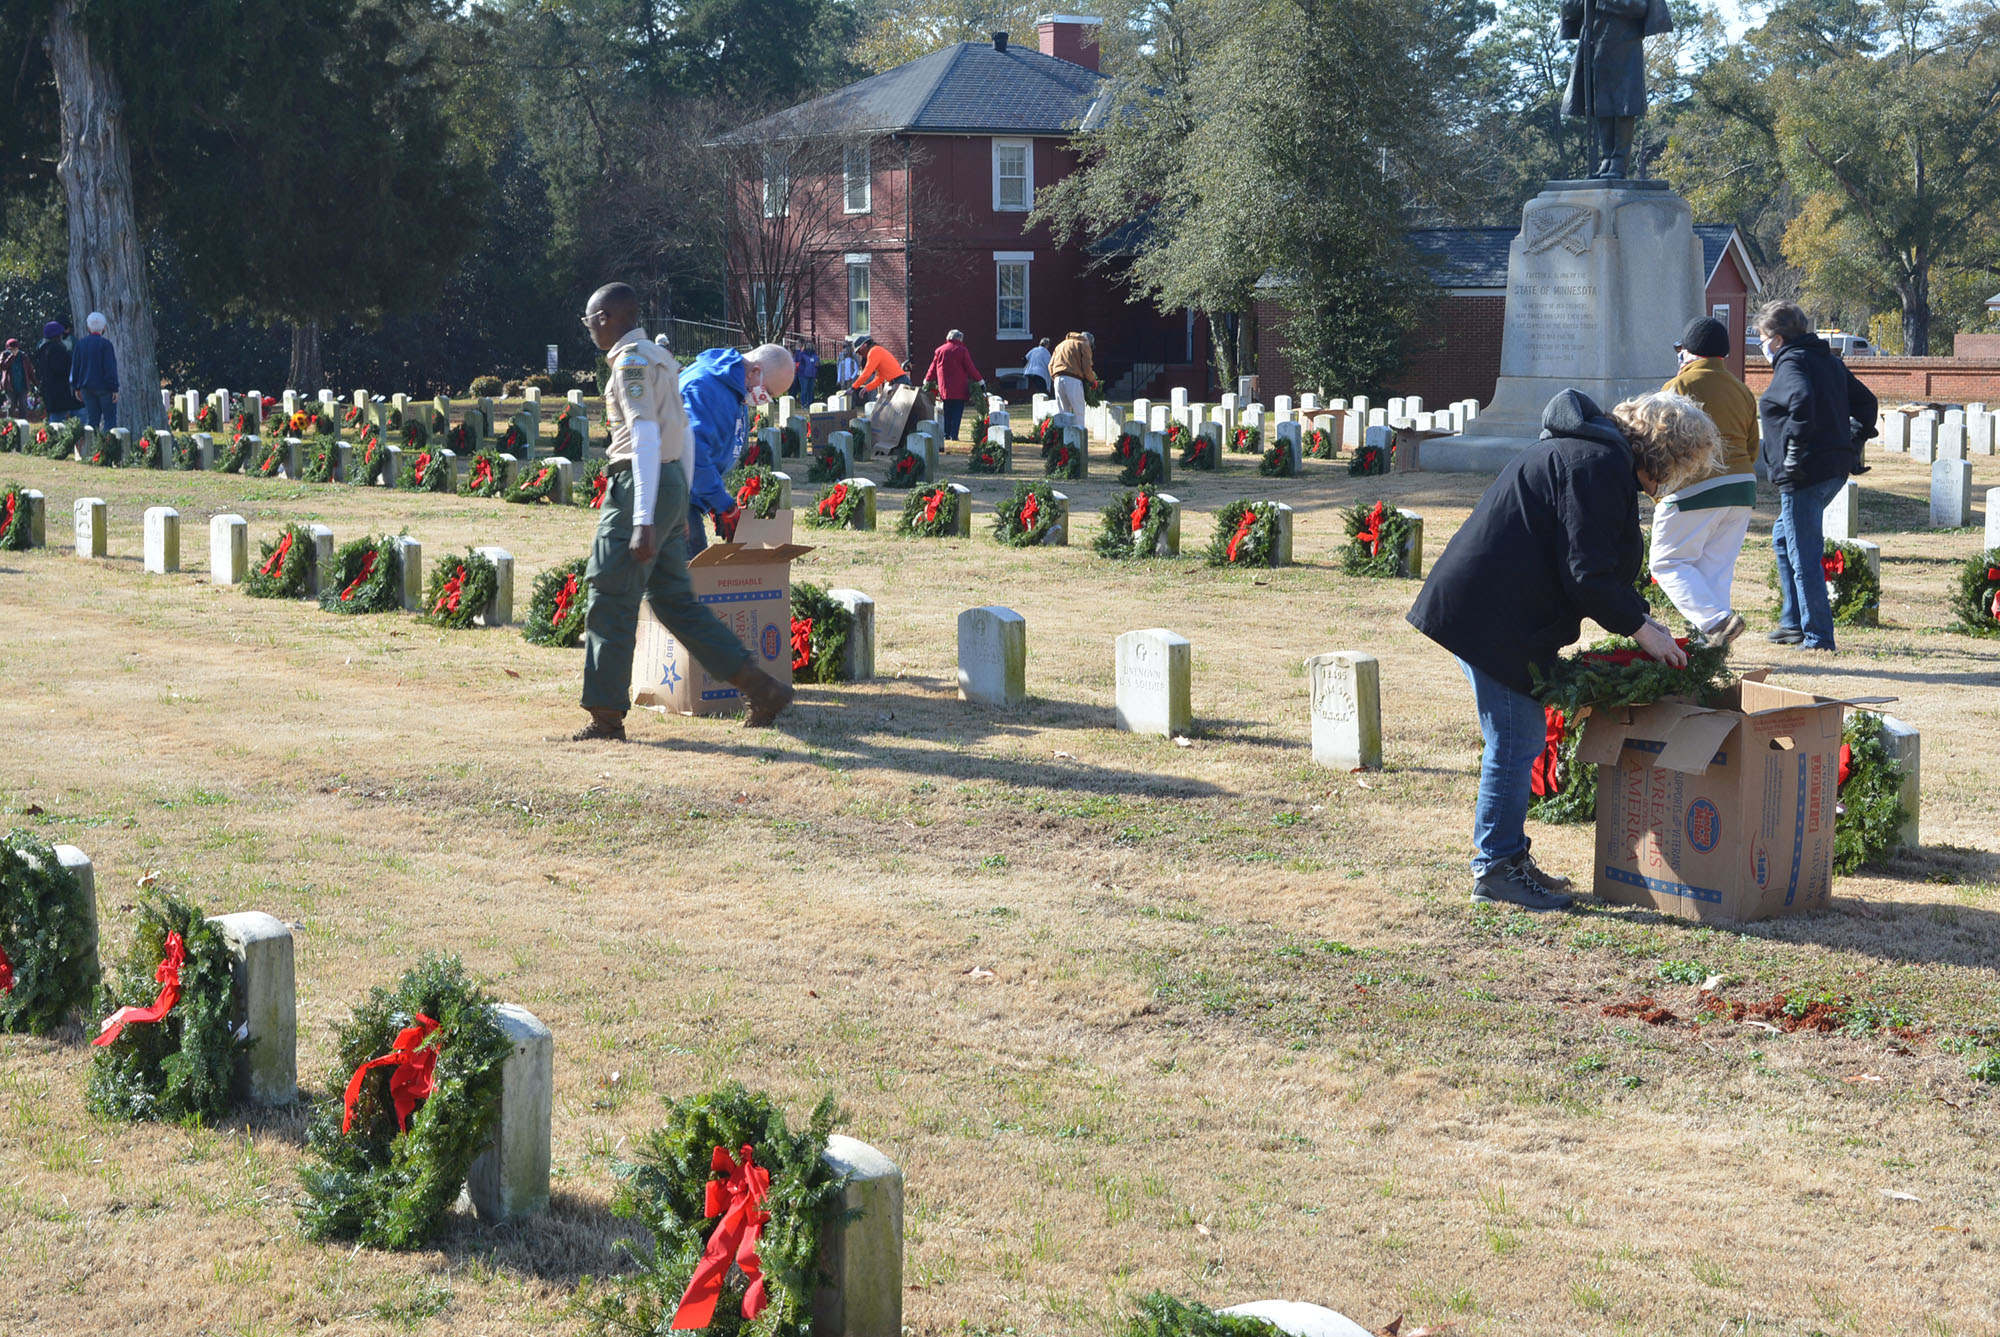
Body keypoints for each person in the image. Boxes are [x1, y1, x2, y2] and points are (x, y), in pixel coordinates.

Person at [1406, 389, 1720, 911]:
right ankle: (1496, 868)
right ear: (1663, 452)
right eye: (1677, 467)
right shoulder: (1595, 463)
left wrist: (1640, 616)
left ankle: (1509, 856)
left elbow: (1585, 561)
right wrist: (1643, 630)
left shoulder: (1592, 455)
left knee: (1515, 738)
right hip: (1489, 615)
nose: (1667, 483)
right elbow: (1587, 573)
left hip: (1497, 609)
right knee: (1515, 740)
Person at [573, 282, 794, 741]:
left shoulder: (633, 362)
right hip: (673, 482)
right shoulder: (661, 360)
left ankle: (605, 717)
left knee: (611, 597)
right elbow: (686, 438)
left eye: (591, 320)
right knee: (676, 603)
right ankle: (759, 686)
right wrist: (679, 497)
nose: (590, 328)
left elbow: (644, 436)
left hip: (642, 483)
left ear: (608, 319)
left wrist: (642, 519)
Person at [1757, 301, 1876, 652]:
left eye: (1762, 338)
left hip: (1804, 473)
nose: (1761, 345)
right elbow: (1866, 402)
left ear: (1777, 340)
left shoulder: (1791, 363)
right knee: (1784, 539)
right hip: (1833, 468)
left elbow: (1801, 399)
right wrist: (1854, 439)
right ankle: (1793, 622)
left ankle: (1817, 636)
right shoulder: (1828, 361)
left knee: (1803, 554)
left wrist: (1795, 449)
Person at [1651, 316, 1759, 647]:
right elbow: (1752, 446)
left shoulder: (1677, 387)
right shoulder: (1741, 389)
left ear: (1687, 351)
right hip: (1742, 487)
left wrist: (1657, 490)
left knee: (1666, 561)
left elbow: (1659, 443)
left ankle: (1717, 622)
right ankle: (1712, 646)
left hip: (1695, 485)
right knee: (1714, 572)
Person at [681, 343, 796, 557]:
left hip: (689, 494)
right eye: (768, 392)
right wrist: (721, 503)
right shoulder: (704, 386)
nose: (765, 399)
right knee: (691, 573)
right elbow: (692, 452)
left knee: (694, 572)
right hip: (671, 492)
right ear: (754, 371)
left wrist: (713, 503)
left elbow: (712, 450)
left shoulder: (735, 390)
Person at [1560, 0, 1671, 179]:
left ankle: (1619, 162)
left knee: (1623, 102)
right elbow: (1570, 9)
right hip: (1594, 42)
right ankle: (1608, 158)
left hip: (1624, 43)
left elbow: (1638, 6)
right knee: (1600, 100)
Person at [922, 329, 984, 442]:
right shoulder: (962, 350)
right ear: (959, 338)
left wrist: (927, 380)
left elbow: (933, 368)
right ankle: (954, 435)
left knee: (947, 411)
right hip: (959, 387)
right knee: (957, 412)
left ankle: (946, 433)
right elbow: (970, 368)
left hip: (945, 387)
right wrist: (980, 381)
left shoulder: (939, 350)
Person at [70, 311, 118, 432]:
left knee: (92, 420)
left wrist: (76, 387)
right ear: (104, 327)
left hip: (86, 388)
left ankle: (91, 446)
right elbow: (110, 368)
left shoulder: (80, 344)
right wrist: (114, 388)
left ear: (88, 327)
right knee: (110, 419)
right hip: (104, 387)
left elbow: (75, 367)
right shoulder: (106, 345)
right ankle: (106, 447)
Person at [33, 322, 79, 422]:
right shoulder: (56, 350)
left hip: (49, 391)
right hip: (59, 391)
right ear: (56, 336)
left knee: (55, 417)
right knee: (58, 420)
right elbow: (62, 369)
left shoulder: (42, 350)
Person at [849, 334, 906, 406]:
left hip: (900, 382)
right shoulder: (877, 351)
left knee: (902, 411)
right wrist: (866, 388)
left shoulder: (874, 351)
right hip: (898, 382)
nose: (860, 354)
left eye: (859, 351)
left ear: (864, 345)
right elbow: (879, 378)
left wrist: (853, 388)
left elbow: (866, 373)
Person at [1050, 330, 1095, 422]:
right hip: (1073, 379)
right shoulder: (1083, 344)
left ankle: (1063, 436)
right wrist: (1092, 380)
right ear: (1089, 342)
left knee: (1063, 413)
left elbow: (1050, 365)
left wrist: (1055, 378)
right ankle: (1079, 435)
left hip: (1057, 378)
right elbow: (1086, 368)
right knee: (1078, 411)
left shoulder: (1060, 345)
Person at [1, 338, 38, 417]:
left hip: (22, 385)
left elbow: (30, 371)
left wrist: (36, 383)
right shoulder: (4, 355)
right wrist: (11, 357)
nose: (14, 350)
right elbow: (2, 367)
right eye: (11, 349)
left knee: (23, 406)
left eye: (15, 349)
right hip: (10, 386)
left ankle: (24, 425)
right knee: (11, 405)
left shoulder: (24, 356)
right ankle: (9, 424)